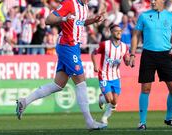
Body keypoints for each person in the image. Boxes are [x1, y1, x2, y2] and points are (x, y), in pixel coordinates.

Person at [16, 0, 107, 130]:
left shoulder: (84, 6)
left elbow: (78, 23)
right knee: (81, 81)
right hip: (67, 46)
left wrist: (92, 21)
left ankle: (25, 101)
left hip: (73, 46)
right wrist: (64, 18)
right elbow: (48, 20)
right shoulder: (70, 3)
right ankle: (89, 122)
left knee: (58, 85)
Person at [130, 0, 172, 130]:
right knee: (146, 89)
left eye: (155, 0)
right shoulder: (143, 16)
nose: (153, 2)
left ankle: (169, 117)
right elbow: (136, 35)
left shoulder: (171, 17)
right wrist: (132, 54)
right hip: (148, 55)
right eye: (151, 0)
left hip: (165, 56)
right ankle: (142, 122)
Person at [91, 25, 130, 125]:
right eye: (116, 31)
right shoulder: (105, 45)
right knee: (109, 99)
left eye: (120, 31)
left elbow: (126, 60)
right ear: (111, 32)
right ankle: (102, 98)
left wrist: (128, 60)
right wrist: (95, 65)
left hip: (116, 76)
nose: (119, 33)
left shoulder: (124, 47)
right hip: (104, 75)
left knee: (114, 102)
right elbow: (93, 53)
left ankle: (104, 118)